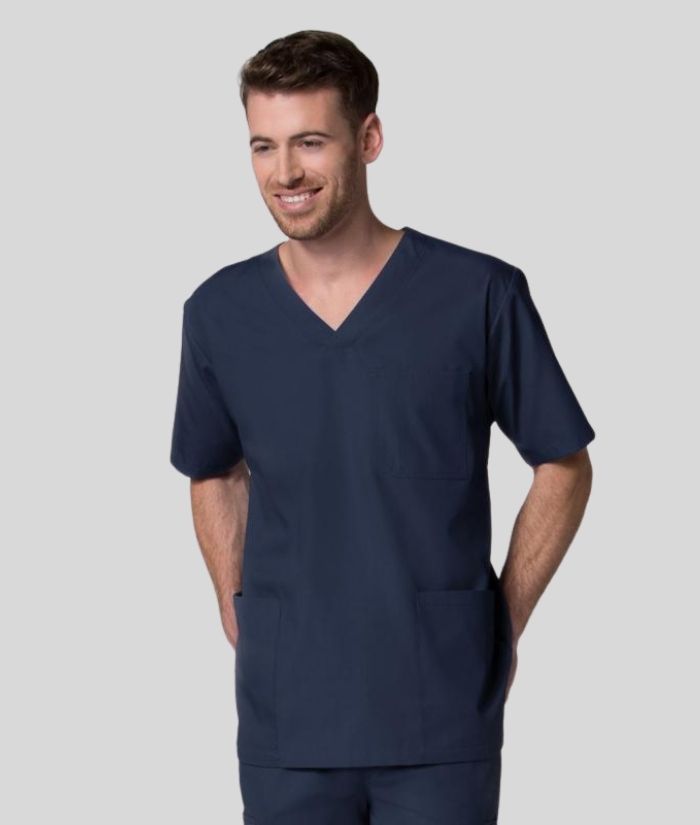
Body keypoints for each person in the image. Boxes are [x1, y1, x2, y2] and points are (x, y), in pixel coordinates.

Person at [169, 29, 595, 825]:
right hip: (287, 714)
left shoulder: (478, 295)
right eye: (263, 145)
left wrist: (501, 620)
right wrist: (240, 610)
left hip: (441, 708)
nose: (285, 172)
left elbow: (563, 463)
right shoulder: (220, 313)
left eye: (310, 142)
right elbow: (214, 471)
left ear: (368, 138)